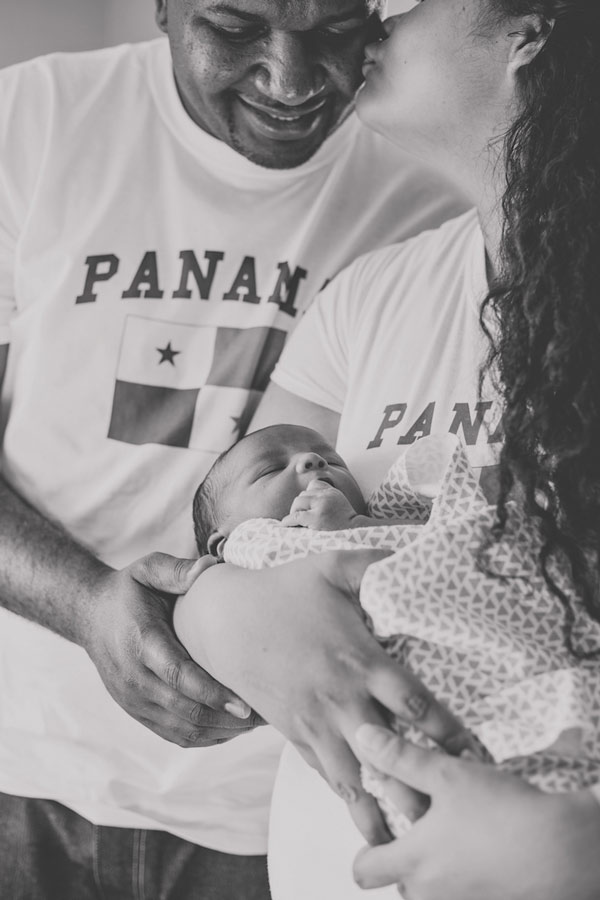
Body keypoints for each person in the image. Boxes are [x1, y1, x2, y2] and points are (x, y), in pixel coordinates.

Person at [0, 0, 469, 896]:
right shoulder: (31, 124)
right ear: (164, 8)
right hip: (30, 768)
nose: (290, 80)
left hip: (293, 806)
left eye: (334, 31)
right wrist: (88, 605)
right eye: (235, 25)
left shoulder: (435, 173)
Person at [173, 0, 600, 896]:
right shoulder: (368, 299)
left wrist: (578, 854)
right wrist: (218, 608)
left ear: (529, 35)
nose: (372, 30)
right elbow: (245, 518)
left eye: (409, 7)